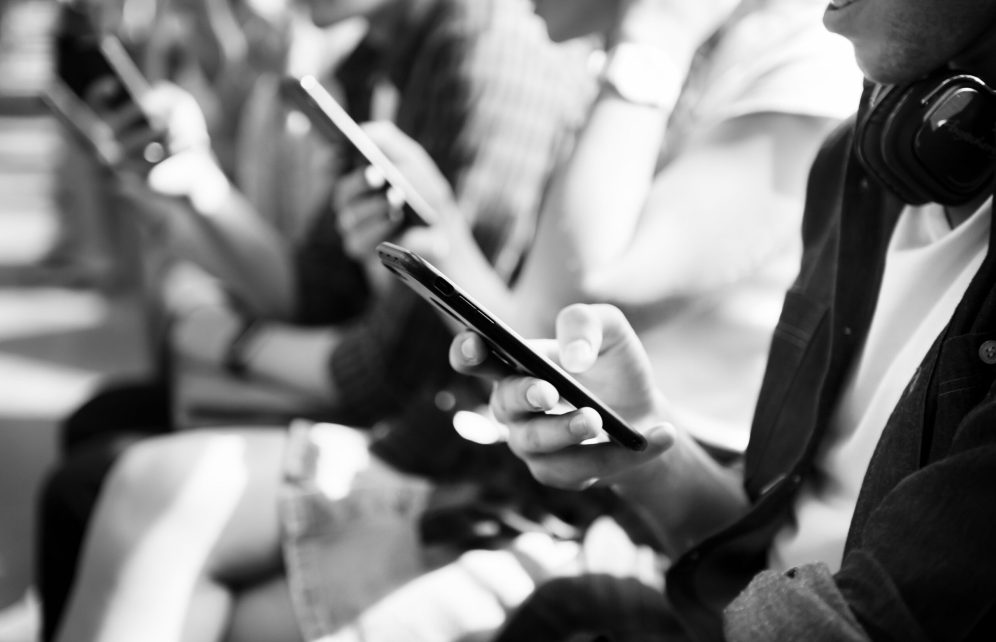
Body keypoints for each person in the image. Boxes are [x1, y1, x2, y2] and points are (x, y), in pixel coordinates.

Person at [45, 1, 866, 641]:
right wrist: (432, 236)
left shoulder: (771, 57)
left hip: (625, 509)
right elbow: (515, 323)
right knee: (140, 489)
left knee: (144, 498)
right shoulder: (449, 55)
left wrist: (653, 33)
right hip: (546, 470)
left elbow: (577, 304)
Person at [42, 0, 593, 640]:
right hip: (412, 424)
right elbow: (315, 289)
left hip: (461, 450)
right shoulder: (375, 60)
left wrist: (233, 345)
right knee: (111, 455)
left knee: (114, 478)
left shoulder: (488, 50)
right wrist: (199, 191)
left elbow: (403, 361)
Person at [451, 0, 996, 639]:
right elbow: (765, 554)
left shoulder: (796, 85)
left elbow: (847, 625)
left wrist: (653, 34)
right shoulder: (861, 158)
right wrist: (644, 446)